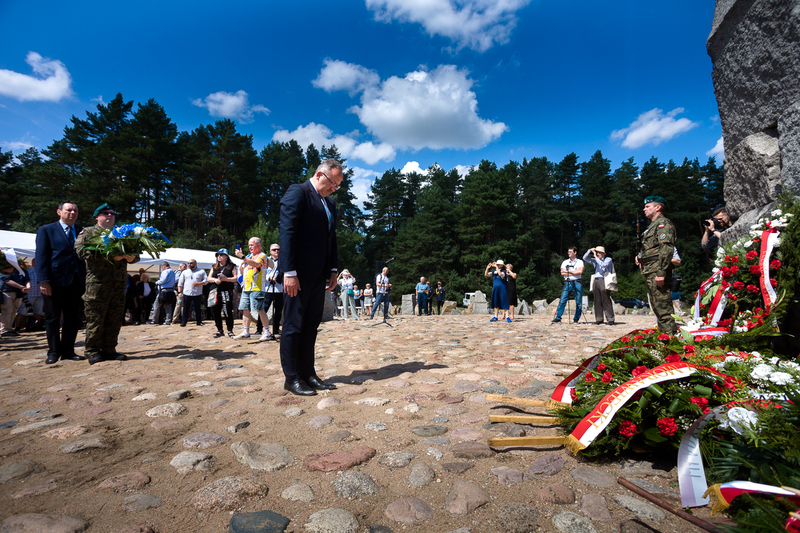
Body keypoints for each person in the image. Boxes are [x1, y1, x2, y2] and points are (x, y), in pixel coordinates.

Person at [278, 158, 341, 396]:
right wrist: (289, 272)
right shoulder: (299, 192)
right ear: (319, 174)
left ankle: (309, 374)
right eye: (331, 183)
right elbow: (287, 232)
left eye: (337, 185)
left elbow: (331, 239)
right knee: (293, 325)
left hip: (319, 275)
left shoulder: (329, 203)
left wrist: (333, 269)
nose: (333, 188)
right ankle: (292, 377)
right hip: (298, 274)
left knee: (311, 325)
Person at [75, 203, 139, 365]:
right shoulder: (88, 232)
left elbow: (135, 253)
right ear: (97, 216)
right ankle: (92, 351)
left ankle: (110, 349)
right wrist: (110, 256)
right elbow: (81, 251)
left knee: (115, 317)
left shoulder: (121, 233)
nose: (109, 215)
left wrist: (132, 257)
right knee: (96, 318)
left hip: (118, 284)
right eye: (105, 213)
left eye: (112, 213)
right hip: (97, 284)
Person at [35, 201, 87, 363]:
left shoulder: (82, 232)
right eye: (69, 210)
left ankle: (68, 351)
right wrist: (43, 281)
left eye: (75, 210)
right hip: (54, 282)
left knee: (73, 318)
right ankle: (53, 351)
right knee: (52, 318)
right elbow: (41, 257)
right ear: (59, 212)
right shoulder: (46, 230)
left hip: (77, 282)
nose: (72, 213)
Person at [636, 195, 677, 334]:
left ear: (658, 207)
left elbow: (666, 249)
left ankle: (671, 341)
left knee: (663, 309)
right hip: (650, 270)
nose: (644, 209)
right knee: (657, 307)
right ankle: (664, 337)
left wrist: (661, 272)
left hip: (657, 271)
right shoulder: (652, 226)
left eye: (648, 206)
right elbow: (652, 247)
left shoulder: (663, 223)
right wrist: (640, 256)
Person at [234, 238, 273, 340]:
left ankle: (267, 331)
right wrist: (242, 264)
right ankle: (246, 331)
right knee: (245, 309)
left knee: (260, 310)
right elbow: (243, 272)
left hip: (257, 288)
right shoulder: (249, 256)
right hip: (246, 288)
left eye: (252, 245)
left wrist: (242, 257)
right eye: (249, 245)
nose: (250, 247)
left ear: (259, 245)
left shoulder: (262, 255)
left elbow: (256, 264)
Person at [208, 249, 236, 338]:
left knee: (227, 311)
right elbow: (208, 278)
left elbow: (236, 278)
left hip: (226, 291)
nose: (219, 256)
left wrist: (226, 279)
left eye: (221, 255)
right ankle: (219, 329)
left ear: (226, 256)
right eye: (217, 255)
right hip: (216, 291)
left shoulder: (232, 266)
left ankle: (230, 330)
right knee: (216, 311)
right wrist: (215, 280)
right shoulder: (214, 266)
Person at [583, 246, 615, 326]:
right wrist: (589, 251)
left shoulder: (608, 259)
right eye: (596, 252)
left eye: (599, 252)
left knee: (606, 299)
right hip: (596, 280)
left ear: (603, 253)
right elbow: (585, 258)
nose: (597, 254)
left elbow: (603, 265)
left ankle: (610, 319)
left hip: (604, 279)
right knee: (597, 300)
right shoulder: (595, 260)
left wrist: (596, 258)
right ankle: (599, 318)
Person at [552, 246, 584, 324]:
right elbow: (562, 272)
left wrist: (568, 271)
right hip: (568, 282)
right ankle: (558, 317)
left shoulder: (580, 262)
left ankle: (576, 319)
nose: (568, 253)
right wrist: (574, 271)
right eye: (568, 251)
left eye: (570, 251)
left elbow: (580, 272)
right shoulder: (565, 262)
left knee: (578, 301)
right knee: (563, 300)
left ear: (575, 252)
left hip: (577, 282)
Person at [0, 265, 30, 337]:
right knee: (7, 311)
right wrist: (22, 287)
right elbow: (6, 280)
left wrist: (28, 287)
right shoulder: (4, 268)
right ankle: (4, 330)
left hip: (19, 293)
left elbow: (27, 279)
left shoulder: (22, 269)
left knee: (14, 311)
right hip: (7, 292)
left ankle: (9, 329)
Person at [261, 243, 283, 339]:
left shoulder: (283, 260)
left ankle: (276, 328)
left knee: (278, 310)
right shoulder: (265, 260)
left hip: (280, 289)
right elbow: (261, 273)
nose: (276, 251)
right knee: (263, 309)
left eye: (278, 249)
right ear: (270, 251)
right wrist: (269, 277)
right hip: (268, 288)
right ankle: (260, 328)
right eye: (274, 249)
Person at [178, 259, 207, 328]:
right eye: (188, 263)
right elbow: (180, 283)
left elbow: (206, 281)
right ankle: (184, 322)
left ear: (195, 263)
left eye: (191, 263)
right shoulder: (185, 272)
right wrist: (179, 292)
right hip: (187, 293)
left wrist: (199, 283)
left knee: (198, 308)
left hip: (197, 293)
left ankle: (199, 322)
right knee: (186, 308)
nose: (189, 264)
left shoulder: (201, 271)